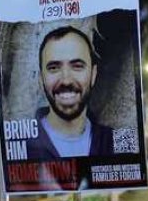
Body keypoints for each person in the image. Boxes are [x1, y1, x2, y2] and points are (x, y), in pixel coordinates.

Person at [27, 27, 116, 160]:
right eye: (54, 68)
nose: (66, 80)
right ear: (41, 79)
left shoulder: (114, 142)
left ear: (93, 74)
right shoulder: (24, 144)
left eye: (77, 66)